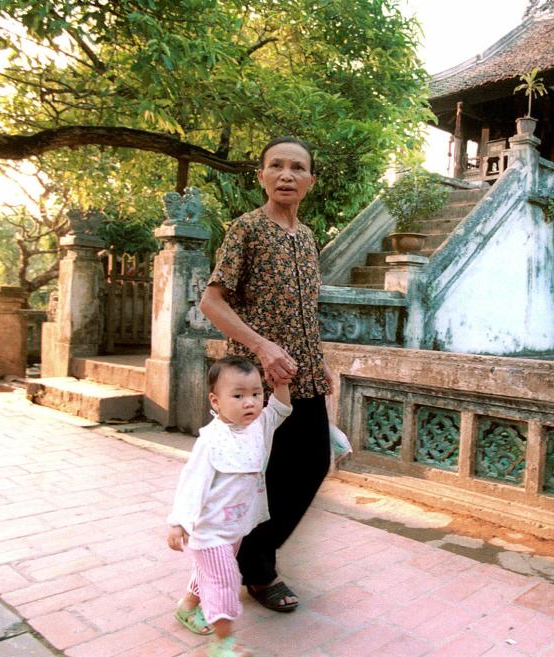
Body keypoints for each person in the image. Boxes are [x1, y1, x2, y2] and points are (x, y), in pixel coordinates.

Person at [199, 136, 333, 613]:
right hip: (256, 386)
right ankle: (258, 570)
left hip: (306, 379)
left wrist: (322, 363)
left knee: (315, 464)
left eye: (297, 168)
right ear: (261, 176)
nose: (286, 175)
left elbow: (306, 311)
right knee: (259, 479)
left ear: (310, 180)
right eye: (275, 166)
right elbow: (211, 302)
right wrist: (261, 346)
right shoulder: (246, 229)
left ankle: (253, 557)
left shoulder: (308, 236)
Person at [166, 356, 292, 657]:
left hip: (235, 527)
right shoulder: (212, 441)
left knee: (209, 573)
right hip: (209, 531)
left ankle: (187, 607)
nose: (249, 402)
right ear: (216, 400)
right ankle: (222, 644)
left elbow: (281, 408)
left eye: (256, 393)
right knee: (224, 581)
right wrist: (179, 521)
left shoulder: (258, 425)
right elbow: (191, 482)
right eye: (238, 396)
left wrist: (283, 384)